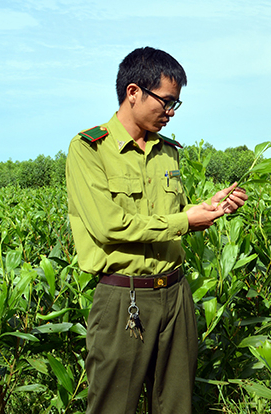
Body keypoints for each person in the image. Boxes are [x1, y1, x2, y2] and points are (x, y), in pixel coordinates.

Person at [66, 46, 248, 414]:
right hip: (123, 299)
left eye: (175, 105)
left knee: (175, 404)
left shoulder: (167, 151)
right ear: (133, 92)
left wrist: (209, 209)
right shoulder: (89, 149)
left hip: (175, 294)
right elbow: (109, 227)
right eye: (166, 102)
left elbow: (174, 218)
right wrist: (185, 220)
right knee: (112, 406)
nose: (170, 112)